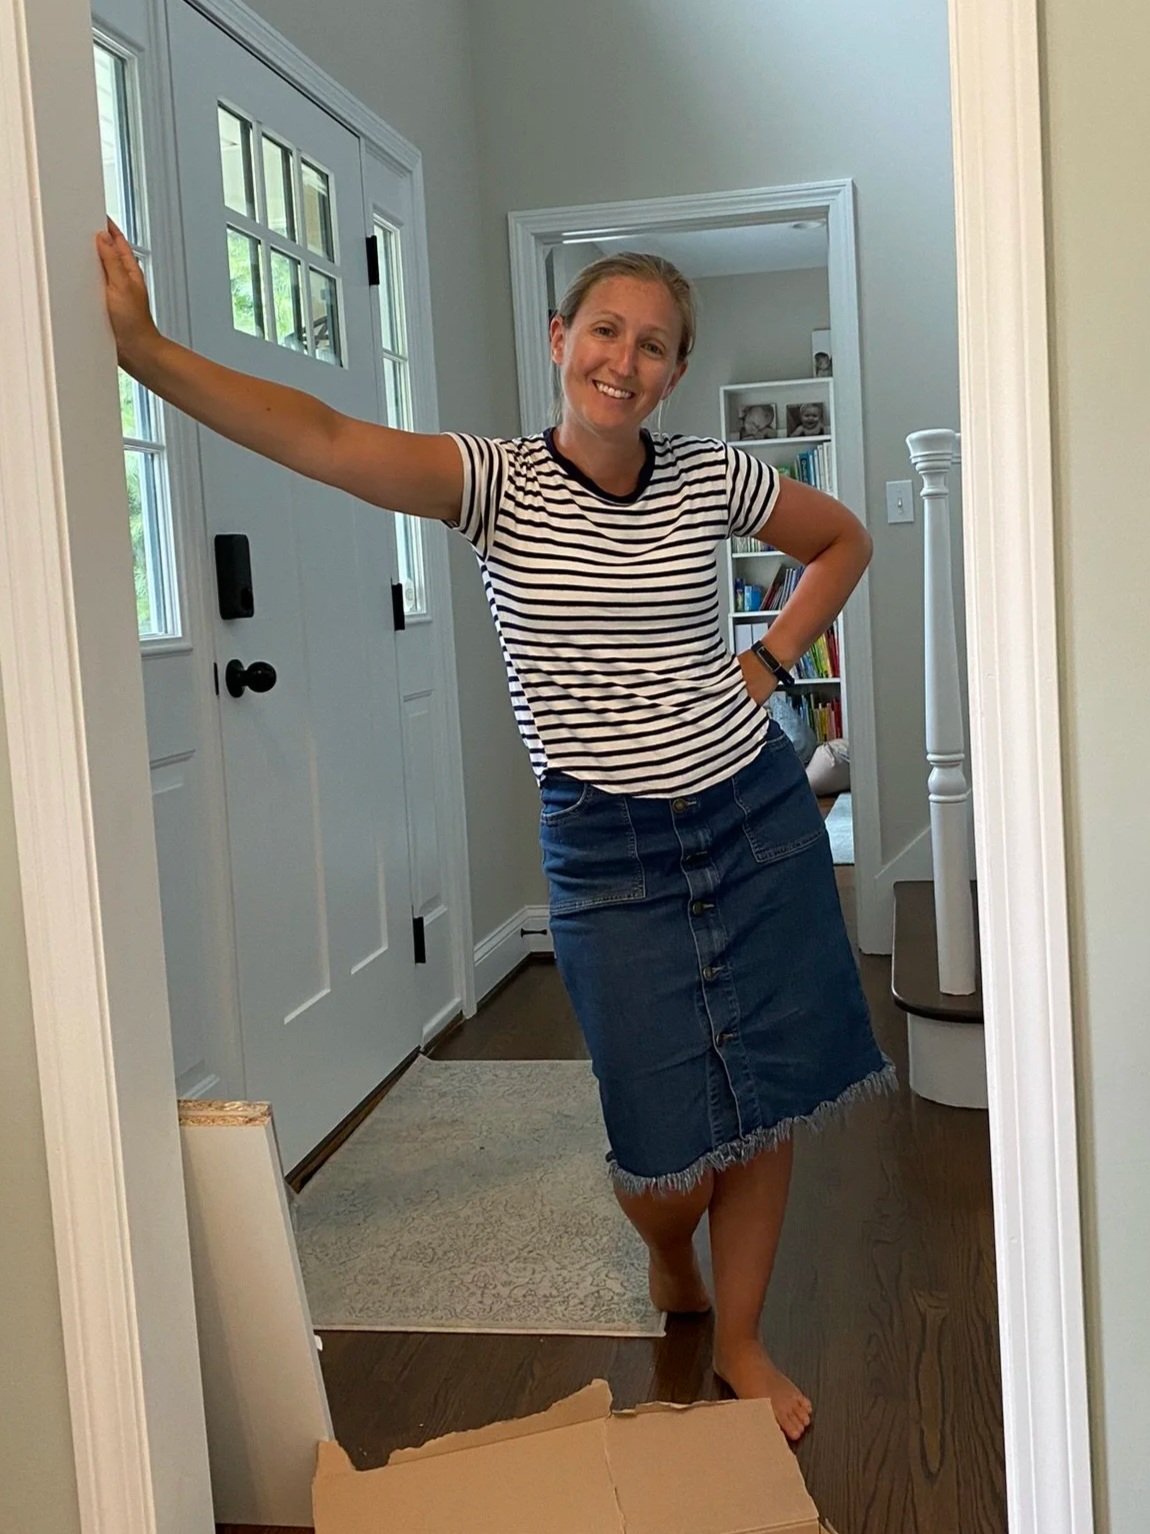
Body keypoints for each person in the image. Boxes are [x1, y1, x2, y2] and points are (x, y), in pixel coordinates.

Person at [97, 228, 893, 1442]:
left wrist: (773, 657)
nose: (625, 360)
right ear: (561, 340)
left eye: (655, 344)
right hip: (604, 849)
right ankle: (670, 1249)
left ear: (676, 372)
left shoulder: (709, 478)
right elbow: (321, 439)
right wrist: (145, 352)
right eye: (606, 332)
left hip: (753, 820)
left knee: (769, 1095)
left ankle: (737, 1336)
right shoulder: (494, 481)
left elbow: (844, 539)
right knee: (663, 1150)